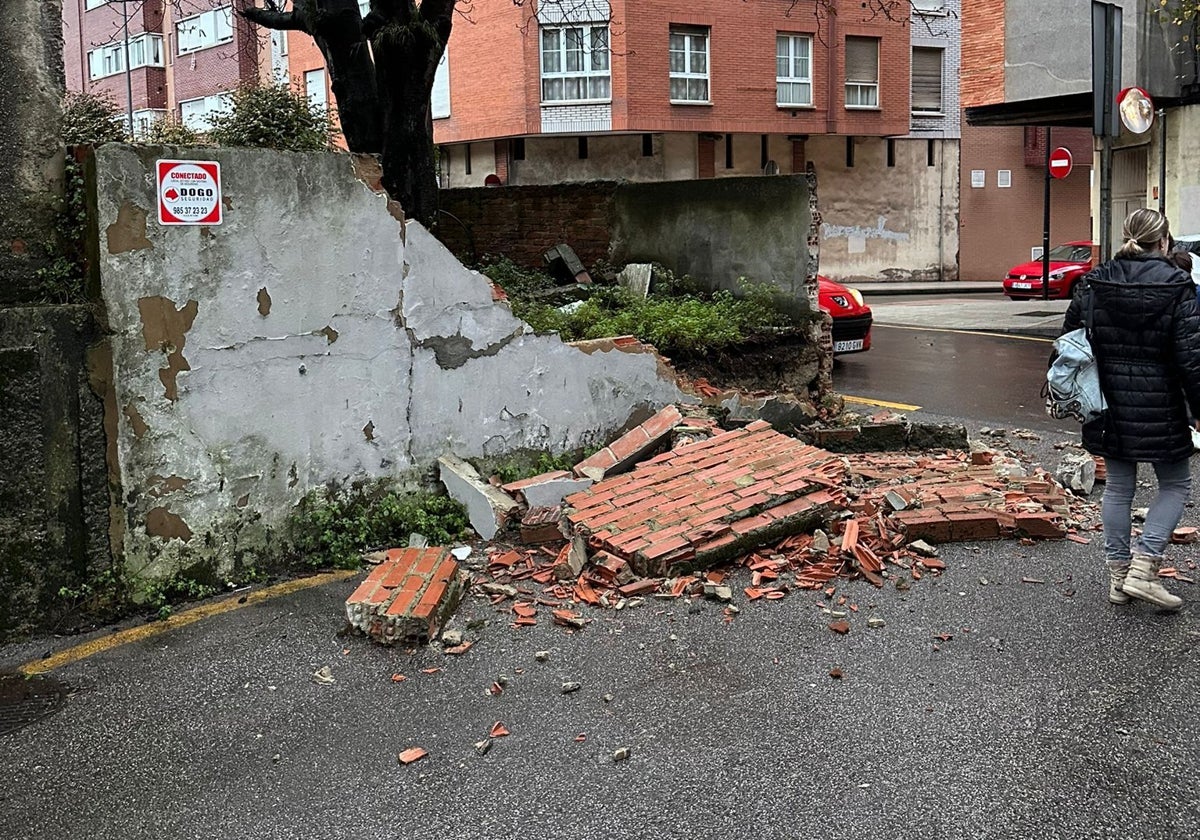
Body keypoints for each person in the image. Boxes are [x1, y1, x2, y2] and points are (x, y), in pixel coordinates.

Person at [1061, 208, 1200, 610]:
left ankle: (1119, 578)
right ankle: (1144, 567)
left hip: (1106, 402)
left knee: (1120, 488)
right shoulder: (1177, 286)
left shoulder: (1093, 282)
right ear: (1164, 242)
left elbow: (1070, 342)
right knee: (1175, 484)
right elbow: (1191, 358)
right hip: (1162, 404)